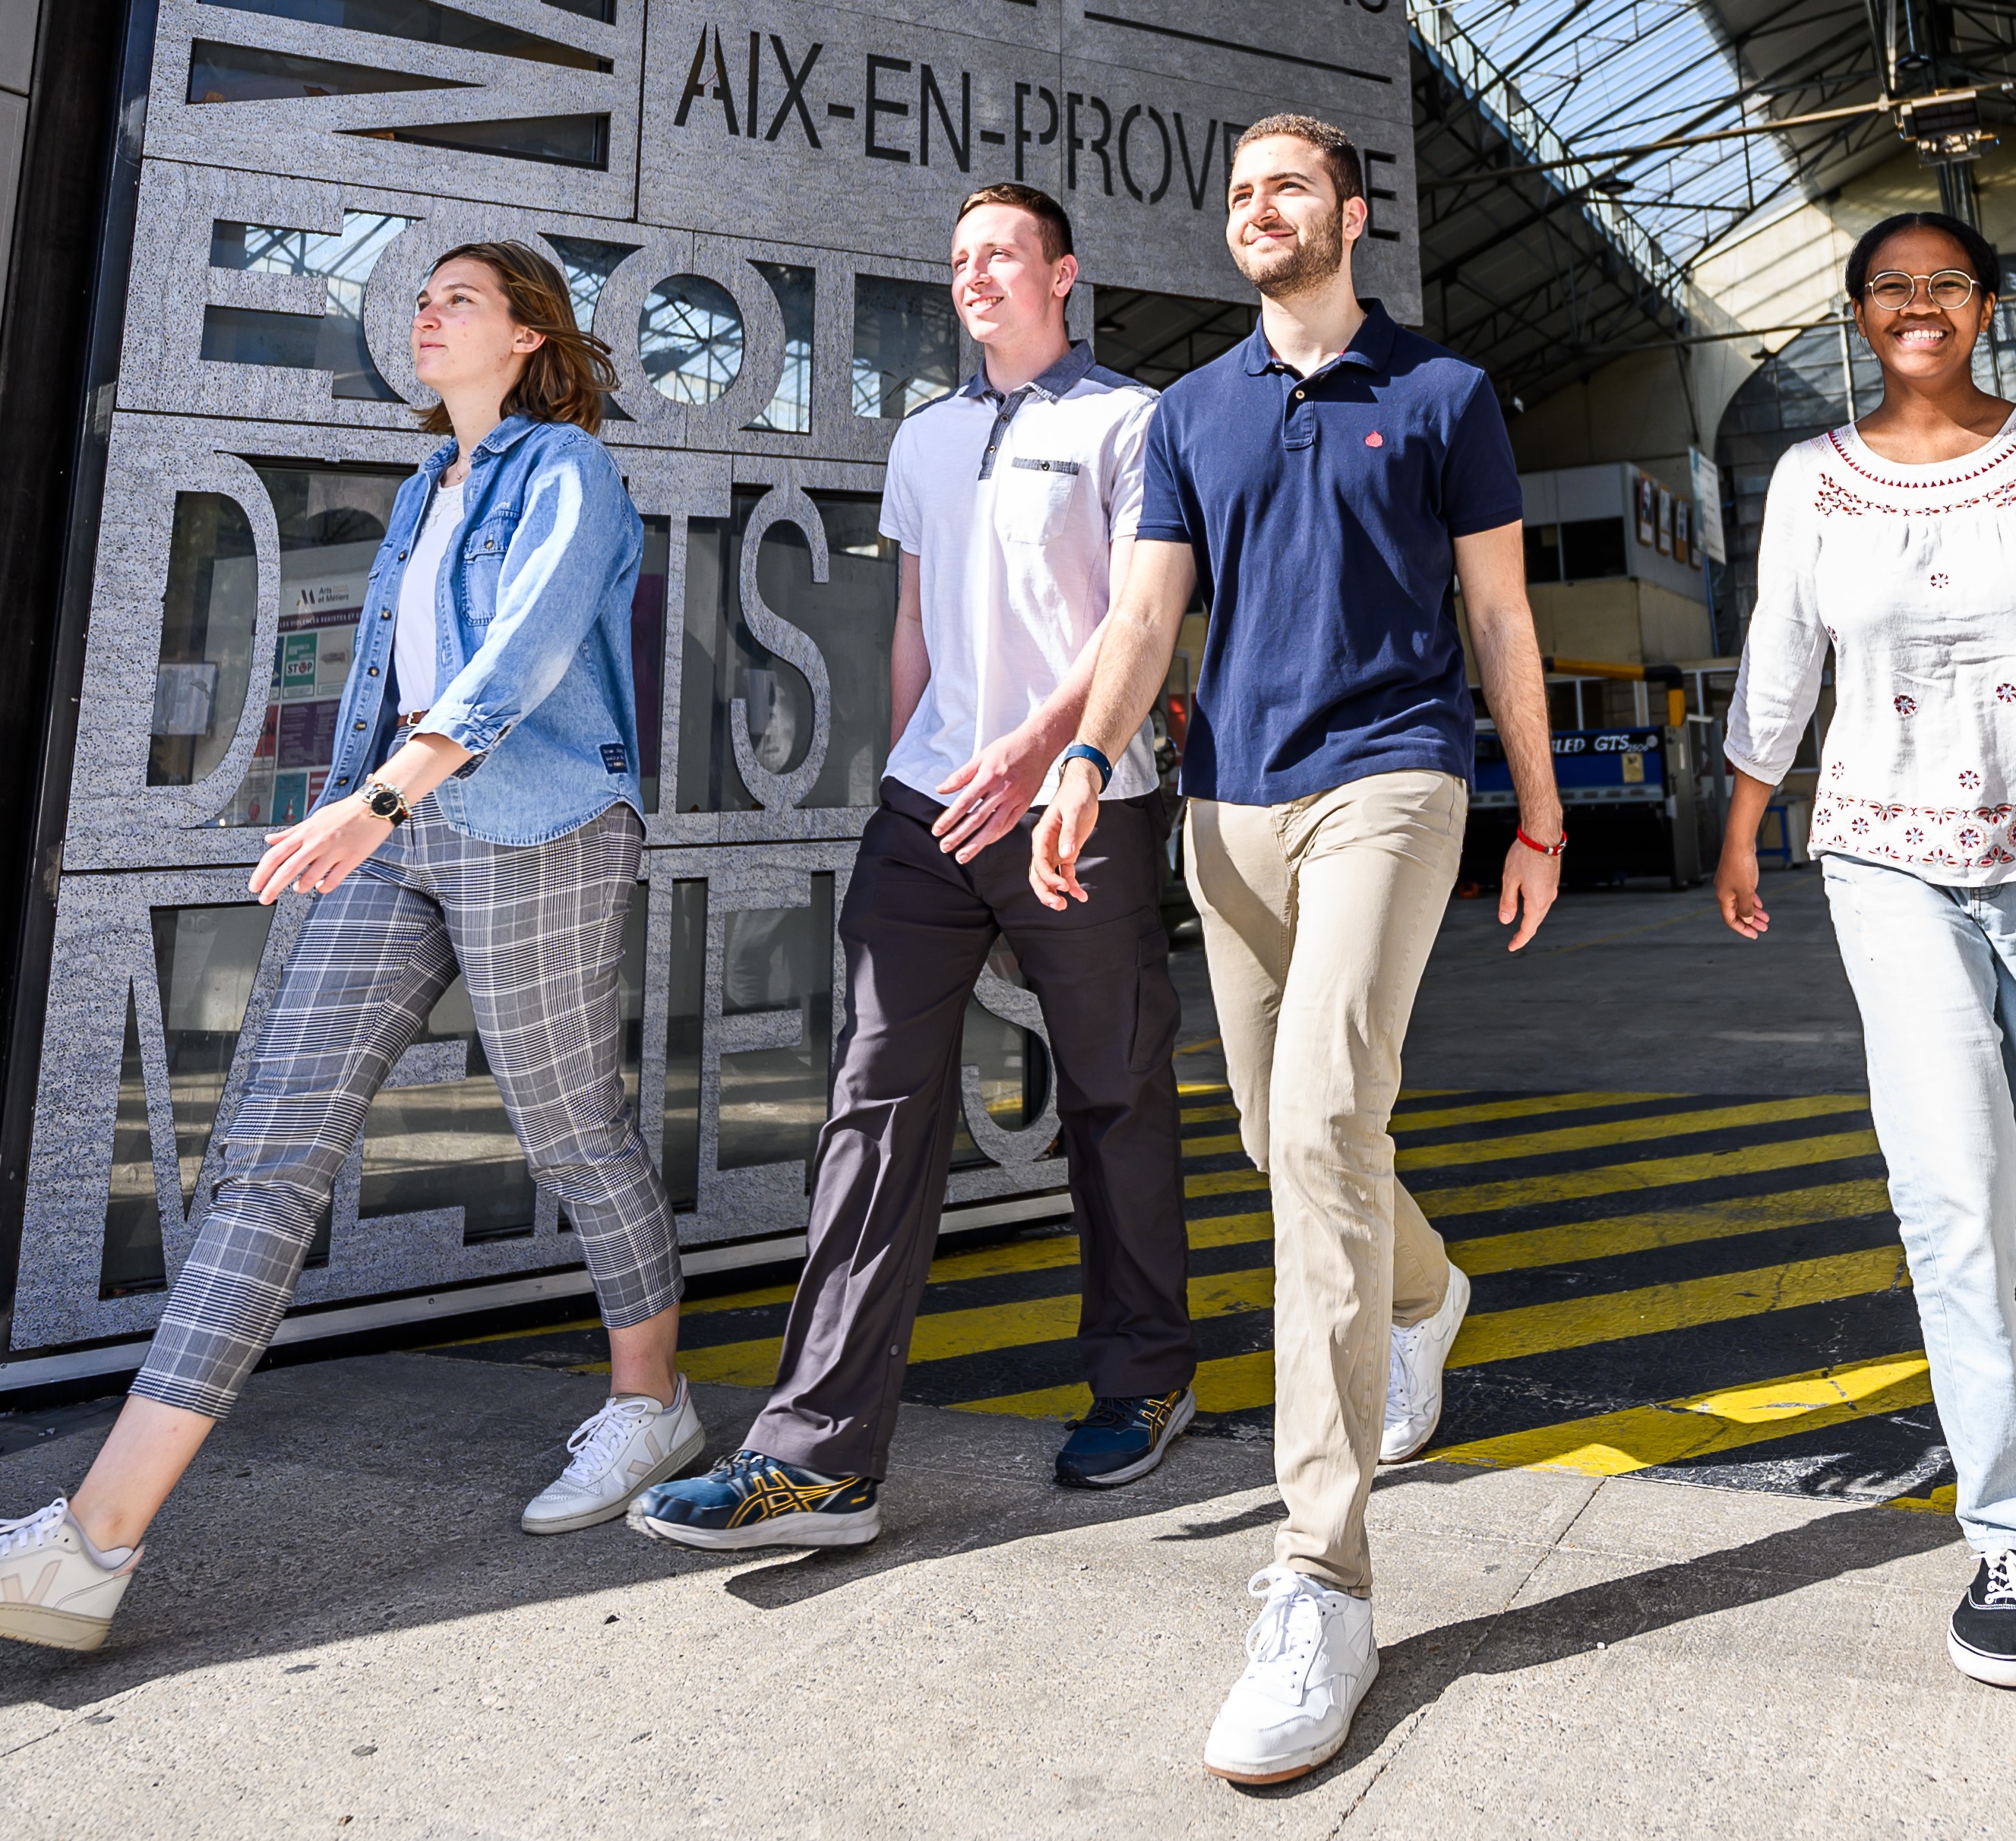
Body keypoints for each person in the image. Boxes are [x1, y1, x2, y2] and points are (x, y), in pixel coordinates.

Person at [0, 242, 694, 1650]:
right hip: (399, 834)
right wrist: (346, 812)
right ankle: (91, 1542)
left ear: (533, 337)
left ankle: (647, 1404)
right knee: (266, 1159)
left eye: (459, 302)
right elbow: (386, 677)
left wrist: (370, 802)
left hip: (537, 824)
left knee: (570, 1132)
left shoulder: (570, 474)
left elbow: (526, 654)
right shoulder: (430, 489)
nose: (426, 316)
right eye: (419, 300)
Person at [1030, 112, 1567, 1783]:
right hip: (1228, 802)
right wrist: (1082, 758)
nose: (1257, 210)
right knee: (1280, 1133)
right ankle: (1425, 1286)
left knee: (1327, 1126)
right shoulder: (1191, 412)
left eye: (1284, 187)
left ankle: (1319, 1574)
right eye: (1237, 192)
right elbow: (1142, 616)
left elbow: (1498, 616)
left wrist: (1538, 813)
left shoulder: (1446, 396)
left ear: (1348, 213)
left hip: (1395, 778)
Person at [627, 183, 1197, 1551]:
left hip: (1086, 801)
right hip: (932, 809)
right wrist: (913, 769)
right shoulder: (926, 437)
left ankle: (1143, 1376)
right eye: (956, 261)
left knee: (1114, 1096)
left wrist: (1039, 754)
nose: (974, 275)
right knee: (873, 1107)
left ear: (1066, 273)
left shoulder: (1131, 421)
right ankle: (817, 1458)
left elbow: (1141, 619)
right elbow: (915, 625)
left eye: (1000, 253)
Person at [1711, 211, 2016, 1691]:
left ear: (1984, 308)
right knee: (1950, 1194)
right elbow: (1783, 643)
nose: (1919, 307)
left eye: (1945, 286)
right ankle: (2010, 1540)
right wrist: (1744, 814)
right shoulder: (1812, 479)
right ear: (1860, 317)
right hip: (1885, 860)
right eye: (1891, 289)